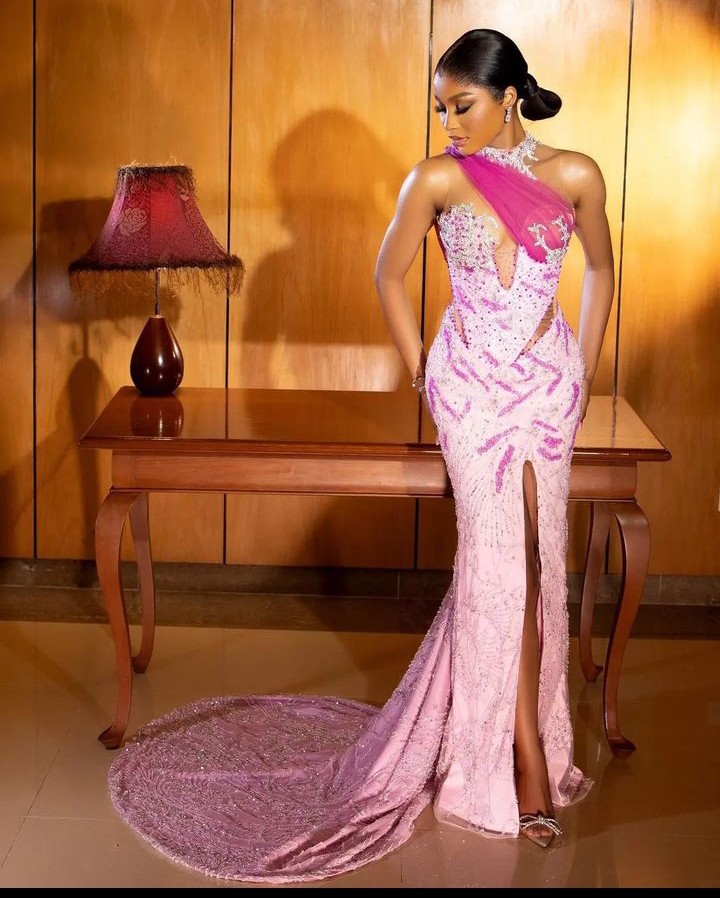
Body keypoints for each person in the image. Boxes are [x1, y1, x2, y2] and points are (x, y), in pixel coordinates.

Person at [107, 28, 614, 883]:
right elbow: (388, 274)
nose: (448, 123)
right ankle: (521, 759)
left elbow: (601, 269)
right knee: (499, 566)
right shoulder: (436, 180)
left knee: (539, 559)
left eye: (463, 106)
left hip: (547, 388)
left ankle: (528, 738)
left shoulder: (576, 175)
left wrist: (584, 370)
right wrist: (427, 371)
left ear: (509, 97)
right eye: (441, 108)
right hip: (471, 392)